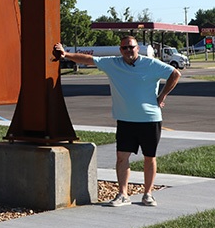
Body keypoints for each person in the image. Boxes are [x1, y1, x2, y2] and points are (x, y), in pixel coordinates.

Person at [53, 36, 181, 207]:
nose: (128, 50)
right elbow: (89, 59)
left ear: (138, 48)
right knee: (122, 157)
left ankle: (148, 194)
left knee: (149, 158)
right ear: (120, 50)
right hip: (125, 120)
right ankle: (122, 194)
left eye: (131, 47)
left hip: (150, 119)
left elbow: (175, 74)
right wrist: (65, 54)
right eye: (125, 48)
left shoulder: (151, 64)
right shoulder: (113, 63)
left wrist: (162, 95)